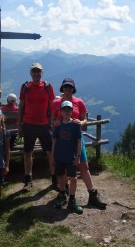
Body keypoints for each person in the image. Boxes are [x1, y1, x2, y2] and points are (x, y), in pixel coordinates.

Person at [51, 77, 107, 209]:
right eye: (66, 87)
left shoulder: (79, 102)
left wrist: (80, 123)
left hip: (76, 139)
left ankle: (92, 194)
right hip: (61, 141)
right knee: (63, 168)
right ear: (62, 88)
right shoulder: (56, 103)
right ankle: (64, 193)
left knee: (84, 166)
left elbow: (84, 119)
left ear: (73, 89)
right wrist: (55, 123)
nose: (68, 89)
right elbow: (52, 119)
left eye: (70, 87)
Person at [18, 62, 56, 191]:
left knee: (50, 152)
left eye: (38, 71)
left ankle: (54, 178)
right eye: (34, 71)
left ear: (42, 73)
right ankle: (28, 180)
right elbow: (21, 107)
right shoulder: (25, 87)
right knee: (28, 152)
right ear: (31, 73)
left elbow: (52, 107)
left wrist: (52, 123)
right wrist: (19, 125)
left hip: (45, 125)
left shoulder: (48, 87)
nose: (36, 74)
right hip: (28, 125)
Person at [51, 100, 83, 214]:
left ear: (72, 111)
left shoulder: (75, 125)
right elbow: (54, 141)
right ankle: (63, 194)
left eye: (68, 109)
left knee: (73, 178)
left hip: (71, 157)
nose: (66, 111)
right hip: (59, 156)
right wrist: (53, 156)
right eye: (64, 109)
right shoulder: (58, 125)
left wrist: (78, 156)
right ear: (60, 111)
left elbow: (79, 142)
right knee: (60, 176)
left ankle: (72, 199)